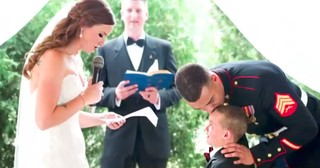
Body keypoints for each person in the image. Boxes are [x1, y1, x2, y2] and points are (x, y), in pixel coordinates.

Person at [14, 0, 125, 168]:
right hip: (51, 156)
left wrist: (103, 118)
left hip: (72, 151)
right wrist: (85, 98)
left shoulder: (75, 59)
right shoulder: (53, 58)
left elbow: (67, 117)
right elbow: (44, 120)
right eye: (101, 34)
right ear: (83, 25)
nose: (103, 42)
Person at [175, 60, 320, 168]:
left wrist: (256, 155)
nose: (210, 110)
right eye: (201, 108)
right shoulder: (211, 89)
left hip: (311, 130)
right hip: (273, 138)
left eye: (211, 101)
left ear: (214, 78)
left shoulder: (261, 82)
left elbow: (306, 128)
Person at [96, 0, 181, 167]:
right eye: (129, 10)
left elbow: (178, 89)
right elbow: (95, 93)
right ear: (121, 14)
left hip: (154, 140)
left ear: (146, 14)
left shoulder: (164, 48)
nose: (133, 15)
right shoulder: (105, 50)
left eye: (138, 10)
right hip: (118, 142)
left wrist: (158, 98)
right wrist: (115, 95)